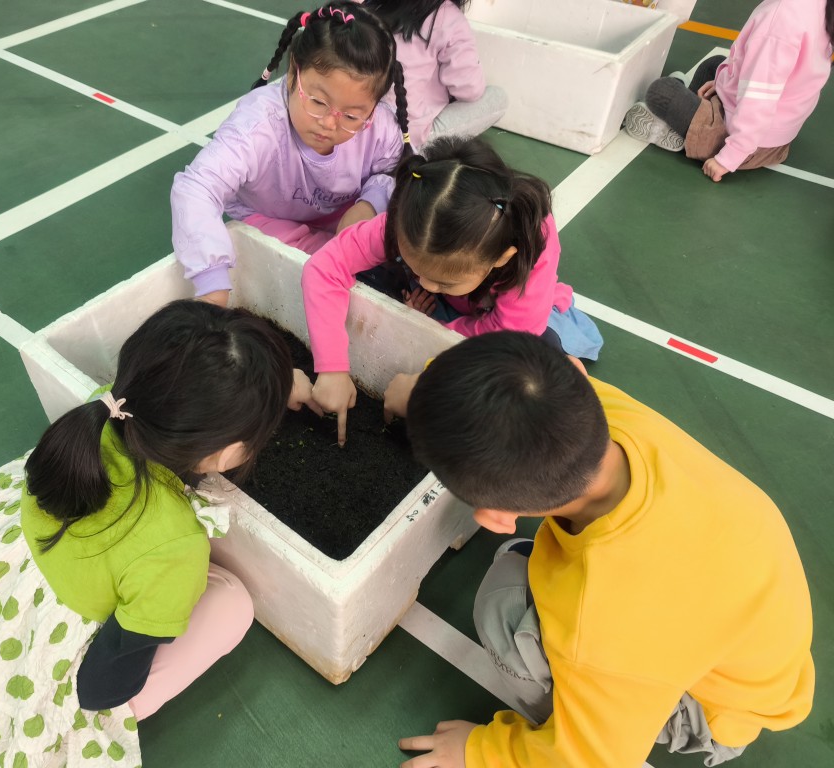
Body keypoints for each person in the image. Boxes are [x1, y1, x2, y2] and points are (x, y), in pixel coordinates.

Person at [0, 301, 320, 767]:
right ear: (227, 455)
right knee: (233, 603)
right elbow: (102, 687)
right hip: (49, 667)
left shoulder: (108, 409)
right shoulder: (176, 547)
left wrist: (276, 386)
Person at [392, 331, 814, 768]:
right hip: (751, 646)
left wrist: (480, 752)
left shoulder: (603, 621)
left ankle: (576, 713)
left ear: (497, 518)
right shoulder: (604, 412)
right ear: (578, 372)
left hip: (711, 709)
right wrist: (423, 393)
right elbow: (502, 389)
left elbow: (592, 760)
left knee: (502, 605)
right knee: (539, 568)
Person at [302, 136, 602, 444]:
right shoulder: (411, 220)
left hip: (504, 319)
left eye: (444, 282)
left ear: (501, 258)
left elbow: (509, 337)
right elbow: (325, 267)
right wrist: (332, 368)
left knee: (532, 364)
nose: (427, 285)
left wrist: (426, 339)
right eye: (417, 270)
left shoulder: (529, 245)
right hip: (454, 304)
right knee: (371, 278)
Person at [171, 1, 413, 308]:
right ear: (292, 74)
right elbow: (197, 187)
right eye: (318, 102)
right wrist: (212, 282)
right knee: (316, 272)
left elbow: (394, 171)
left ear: (374, 107)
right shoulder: (258, 124)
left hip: (345, 216)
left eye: (352, 116)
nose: (329, 123)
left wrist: (370, 203)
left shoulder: (380, 127)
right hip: (271, 219)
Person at [623, 0, 833, 181]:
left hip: (751, 145)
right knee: (714, 65)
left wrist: (729, 158)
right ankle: (691, 117)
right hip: (778, 132)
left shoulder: (780, 19)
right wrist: (724, 81)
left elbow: (758, 101)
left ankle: (680, 132)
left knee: (661, 92)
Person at [360, 1, 507, 146]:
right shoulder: (448, 16)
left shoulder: (369, 5)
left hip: (359, 127)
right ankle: (423, 149)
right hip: (406, 137)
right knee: (497, 98)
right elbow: (470, 89)